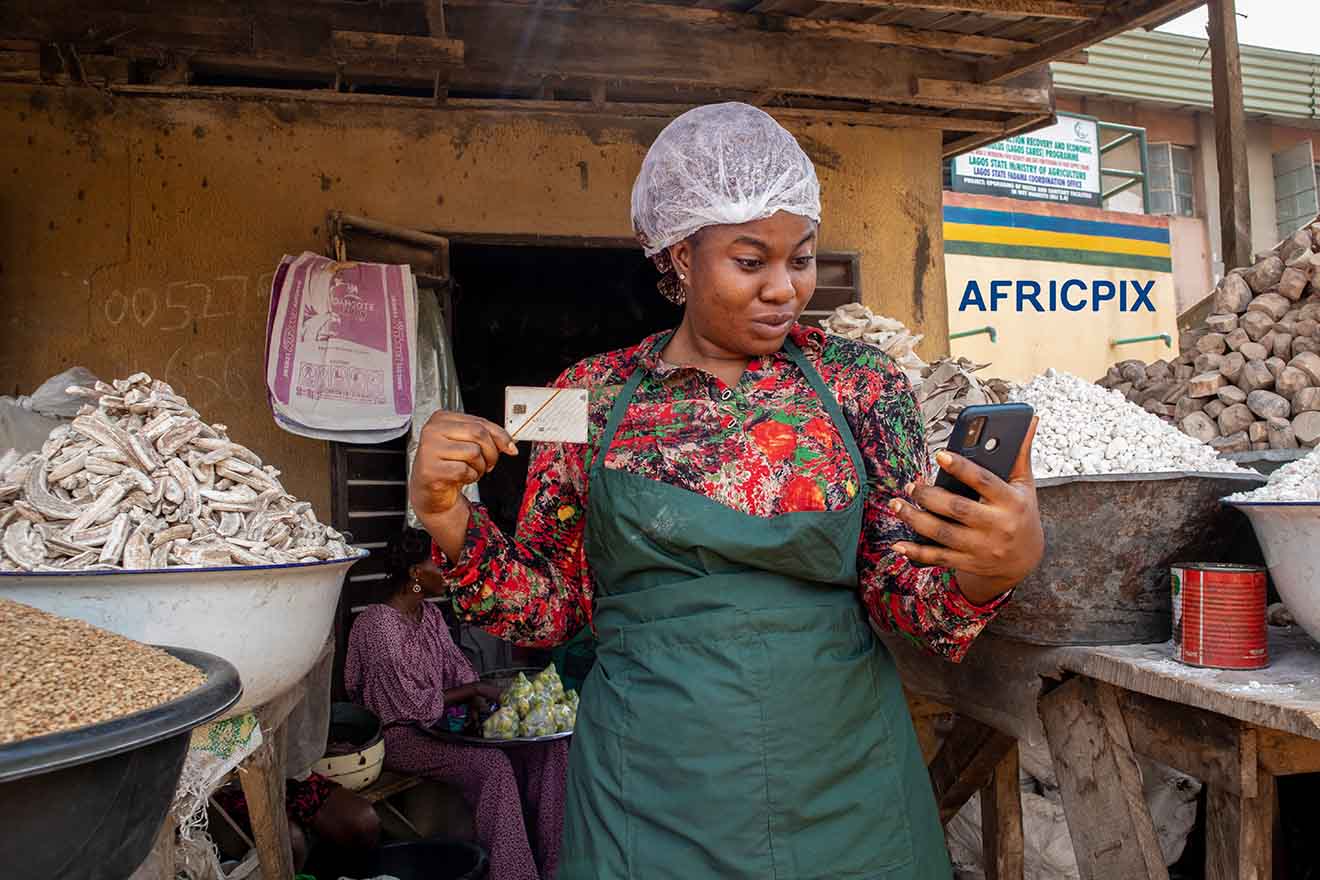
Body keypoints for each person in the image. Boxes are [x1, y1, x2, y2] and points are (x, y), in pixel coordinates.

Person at [408, 102, 1045, 878]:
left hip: (844, 781)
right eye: (751, 262)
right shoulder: (587, 397)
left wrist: (992, 567)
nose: (785, 289)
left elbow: (900, 593)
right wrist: (447, 516)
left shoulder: (861, 386)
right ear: (679, 256)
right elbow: (548, 608)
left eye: (801, 258)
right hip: (650, 788)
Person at [344, 530, 567, 880]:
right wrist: (472, 690)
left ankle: (554, 865)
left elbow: (458, 670)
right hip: (398, 737)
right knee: (491, 766)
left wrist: (477, 699)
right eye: (441, 565)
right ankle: (513, 874)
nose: (451, 574)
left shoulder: (429, 616)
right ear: (417, 573)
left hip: (440, 725)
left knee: (548, 749)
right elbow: (410, 704)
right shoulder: (377, 626)